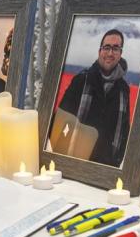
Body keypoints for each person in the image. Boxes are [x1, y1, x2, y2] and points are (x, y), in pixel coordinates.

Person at [55, 29, 131, 166]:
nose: (110, 53)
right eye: (106, 47)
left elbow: (124, 130)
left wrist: (118, 160)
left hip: (107, 165)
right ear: (99, 51)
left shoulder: (123, 89)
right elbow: (61, 120)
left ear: (120, 54)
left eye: (115, 48)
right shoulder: (81, 80)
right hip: (76, 160)